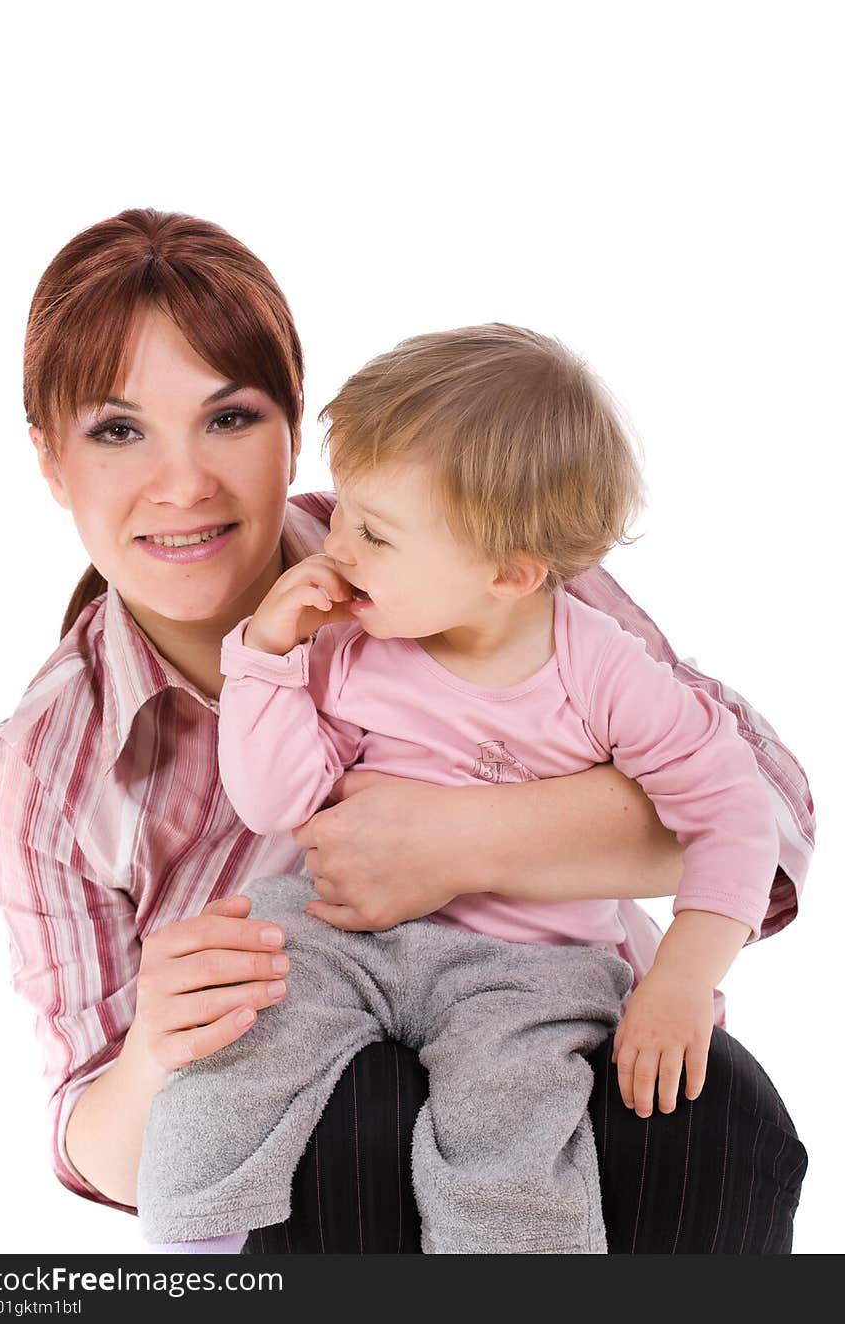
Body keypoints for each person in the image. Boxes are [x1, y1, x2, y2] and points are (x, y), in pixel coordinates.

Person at [0, 209, 811, 1256]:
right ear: (51, 464)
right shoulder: (51, 760)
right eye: (117, 430)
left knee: (710, 1114)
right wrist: (154, 1049)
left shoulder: (453, 538)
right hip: (314, 1123)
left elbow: (764, 798)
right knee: (340, 1121)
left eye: (229, 418)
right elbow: (89, 1143)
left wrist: (466, 840)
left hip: (539, 1018)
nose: (183, 483)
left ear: (292, 427)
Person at [136, 325, 781, 1254]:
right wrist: (267, 659)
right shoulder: (353, 645)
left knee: (507, 1130)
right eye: (347, 513)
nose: (335, 544)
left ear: (509, 573)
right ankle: (193, 1243)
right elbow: (277, 802)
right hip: (351, 937)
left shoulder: (604, 671)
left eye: (375, 531)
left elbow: (733, 809)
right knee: (250, 1022)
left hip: (530, 972)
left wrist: (683, 976)